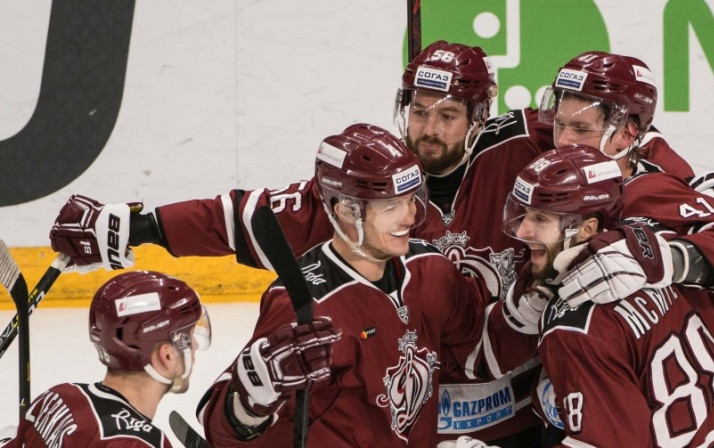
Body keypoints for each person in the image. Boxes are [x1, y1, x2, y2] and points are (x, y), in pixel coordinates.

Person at [48, 41, 553, 446]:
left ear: (478, 117)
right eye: (420, 113)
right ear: (345, 211)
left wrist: (547, 294)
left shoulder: (521, 156)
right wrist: (139, 227)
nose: (429, 131)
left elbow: (600, 148)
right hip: (400, 416)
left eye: (447, 116)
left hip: (505, 412)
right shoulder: (361, 181)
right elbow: (244, 216)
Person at [197, 123, 511, 447]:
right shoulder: (306, 305)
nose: (410, 216)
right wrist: (248, 400)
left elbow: (479, 349)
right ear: (346, 210)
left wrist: (532, 304)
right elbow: (220, 429)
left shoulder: (430, 268)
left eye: (411, 198)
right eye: (391, 205)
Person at [500, 145, 714, 447]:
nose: (523, 230)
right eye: (525, 215)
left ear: (588, 227)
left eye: (541, 219)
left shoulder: (573, 325)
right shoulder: (652, 253)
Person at [537, 51, 714, 357]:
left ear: (625, 133)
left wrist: (662, 259)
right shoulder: (554, 159)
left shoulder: (657, 187)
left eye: (581, 129)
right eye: (559, 123)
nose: (563, 141)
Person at [0, 271, 212, 448]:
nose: (194, 345)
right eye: (188, 335)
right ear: (165, 356)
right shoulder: (137, 444)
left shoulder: (60, 396)